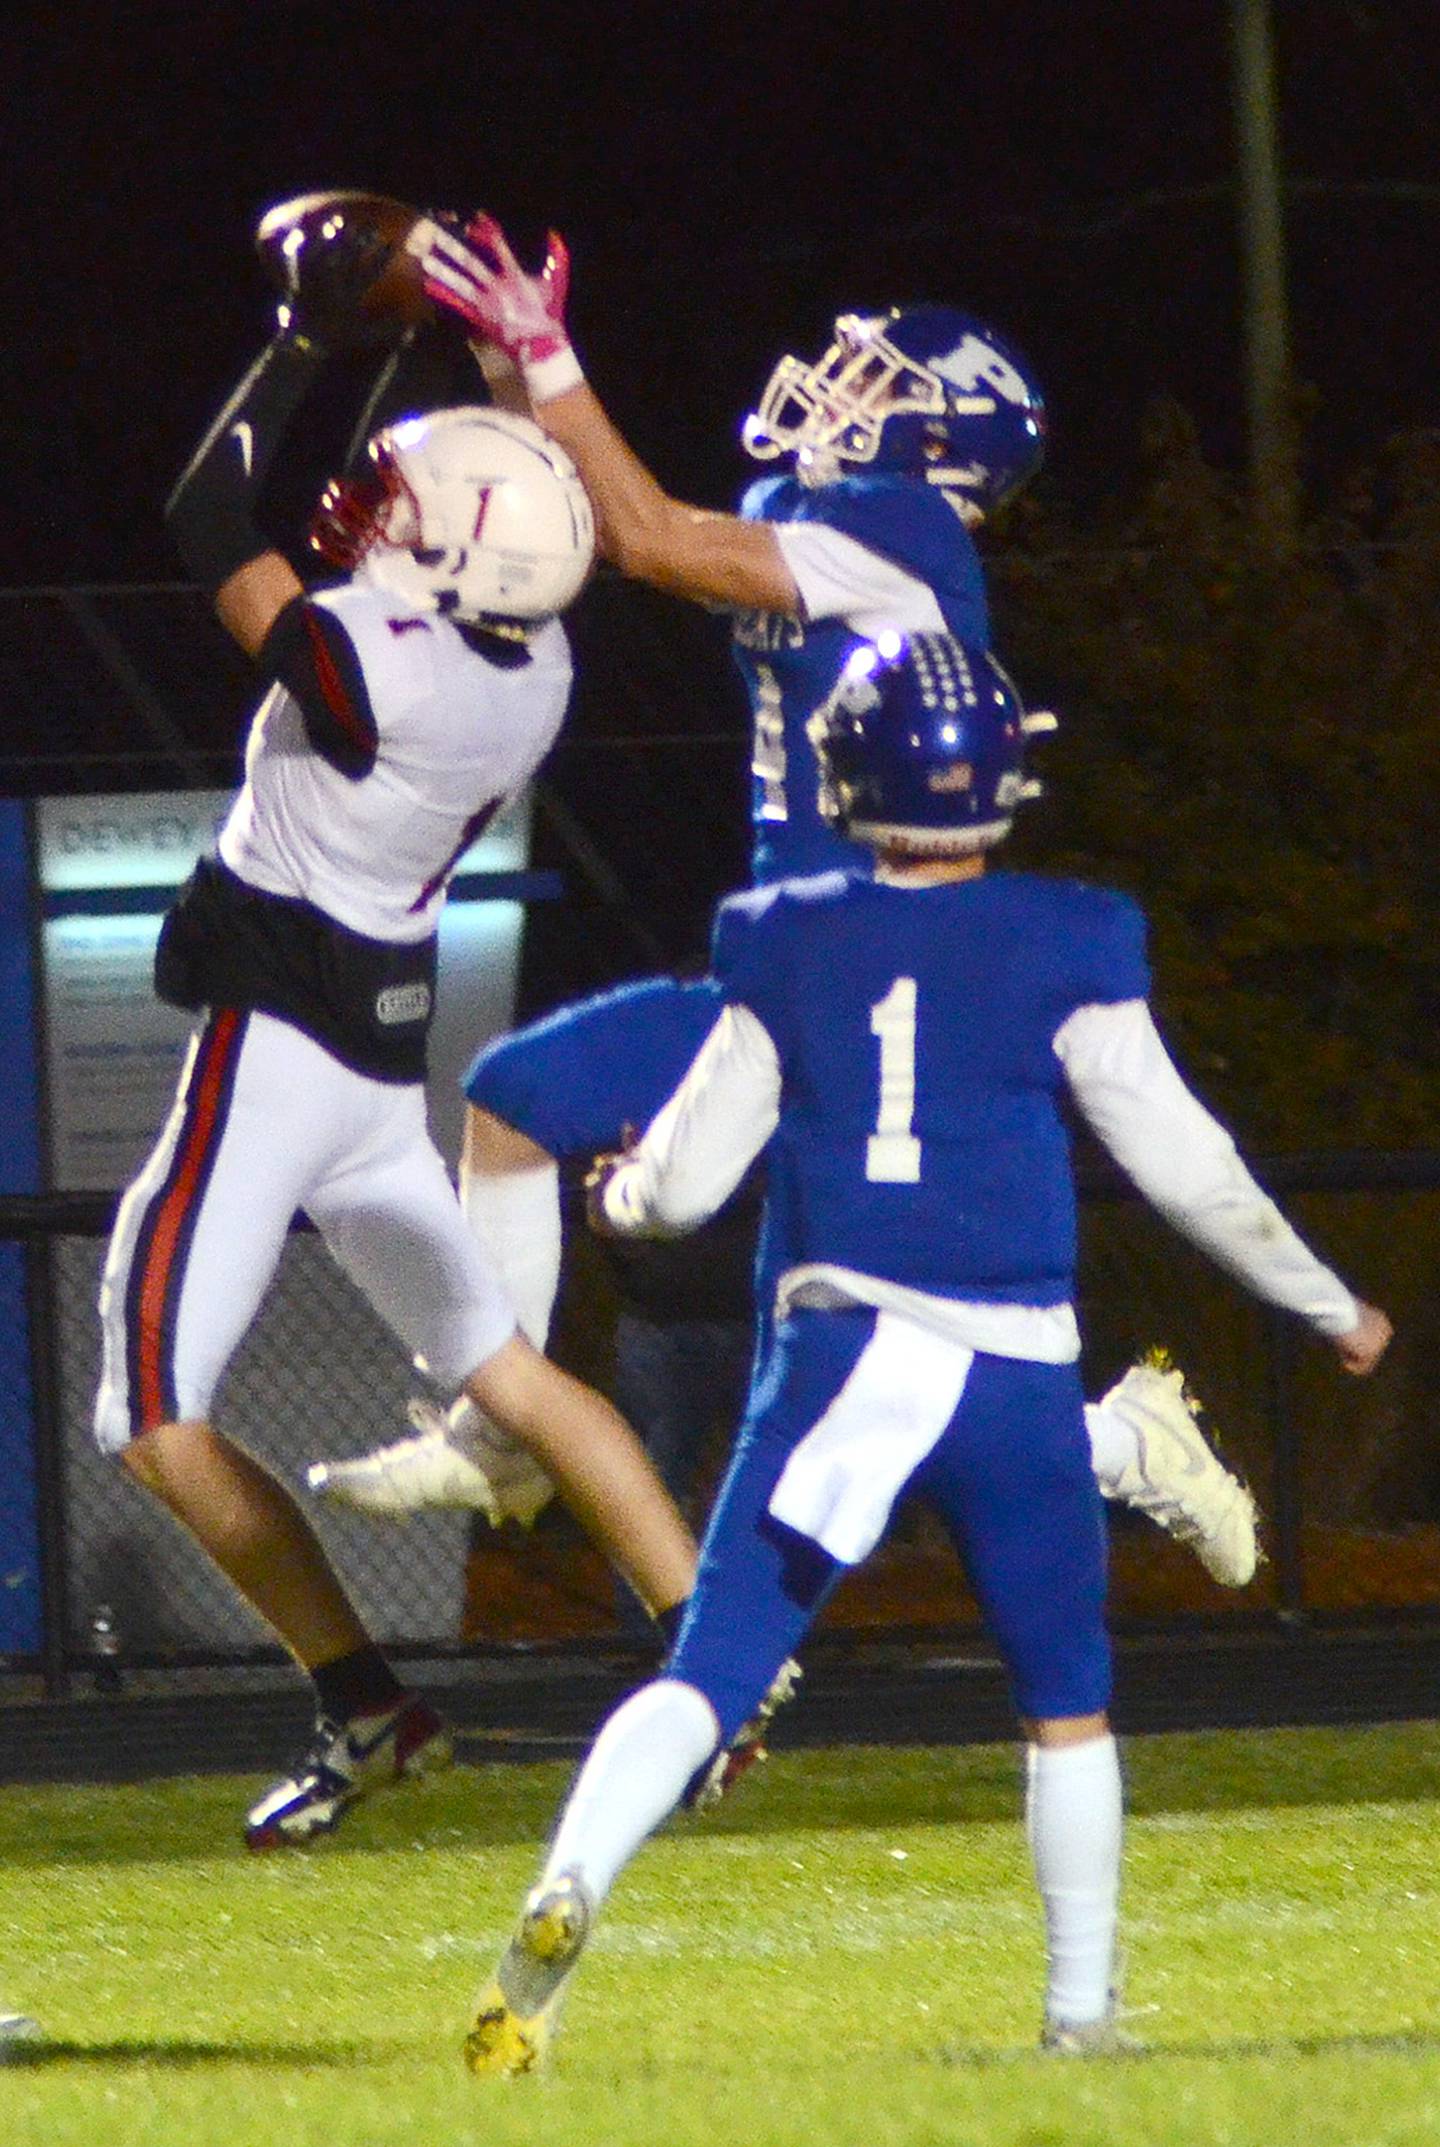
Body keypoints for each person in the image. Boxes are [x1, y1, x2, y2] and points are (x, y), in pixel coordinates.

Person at [457, 632, 1392, 2076]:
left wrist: (622, 1197)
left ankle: (566, 1888)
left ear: (845, 776)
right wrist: (1331, 1304)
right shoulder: (1071, 933)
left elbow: (691, 1186)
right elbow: (1187, 1168)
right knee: (1064, 1702)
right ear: (1007, 776)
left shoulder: (786, 934)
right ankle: (1081, 2013)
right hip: (1012, 1372)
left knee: (709, 1676)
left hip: (839, 1359)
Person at [309, 213, 1260, 1596]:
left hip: (865, 985)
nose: (839, 392)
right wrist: (518, 388)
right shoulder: (810, 520)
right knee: (530, 1111)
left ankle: (1117, 1442)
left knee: (858, 1383)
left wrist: (549, 356)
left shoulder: (905, 537)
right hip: (791, 968)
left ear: (945, 443)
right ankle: (501, 1432)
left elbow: (640, 536)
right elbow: (600, 518)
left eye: (880, 385)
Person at [94, 217, 701, 1850]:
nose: (376, 500)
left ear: (449, 562)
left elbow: (203, 513)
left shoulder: (380, 662)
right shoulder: (540, 666)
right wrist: (505, 361)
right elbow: (511, 515)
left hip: (281, 1054)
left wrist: (306, 337)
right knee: (508, 1372)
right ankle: (719, 1677)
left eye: (405, 506)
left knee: (148, 1411)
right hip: (379, 1067)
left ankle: (364, 1701)